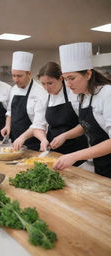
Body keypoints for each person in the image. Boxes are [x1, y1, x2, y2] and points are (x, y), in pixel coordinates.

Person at [53, 42, 111, 178]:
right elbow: (87, 124)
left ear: (88, 74)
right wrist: (65, 136)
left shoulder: (107, 94)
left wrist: (75, 156)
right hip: (101, 162)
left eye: (72, 78)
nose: (68, 84)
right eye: (65, 79)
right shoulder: (83, 96)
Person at [31, 62, 88, 166]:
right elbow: (37, 126)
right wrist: (43, 140)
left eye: (50, 83)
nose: (46, 88)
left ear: (61, 78)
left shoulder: (74, 93)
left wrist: (65, 136)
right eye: (43, 84)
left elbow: (86, 124)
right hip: (54, 151)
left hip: (76, 150)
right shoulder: (43, 96)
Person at [1, 51, 47, 151]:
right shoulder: (14, 89)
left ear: (29, 73)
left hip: (33, 142)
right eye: (13, 76)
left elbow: (38, 123)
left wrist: (23, 137)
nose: (16, 80)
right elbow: (9, 112)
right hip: (15, 140)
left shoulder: (40, 91)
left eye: (19, 76)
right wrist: (7, 126)